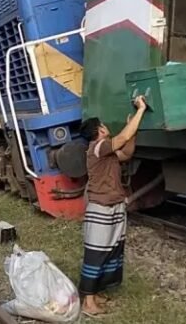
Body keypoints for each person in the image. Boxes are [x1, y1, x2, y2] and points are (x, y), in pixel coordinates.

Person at [77, 95, 147, 317]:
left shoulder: (104, 150)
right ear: (99, 130)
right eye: (104, 126)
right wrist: (140, 111)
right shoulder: (97, 147)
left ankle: (96, 293)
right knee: (96, 253)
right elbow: (122, 138)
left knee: (110, 251)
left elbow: (126, 153)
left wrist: (132, 131)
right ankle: (88, 302)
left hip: (113, 206)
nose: (107, 127)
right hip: (101, 209)